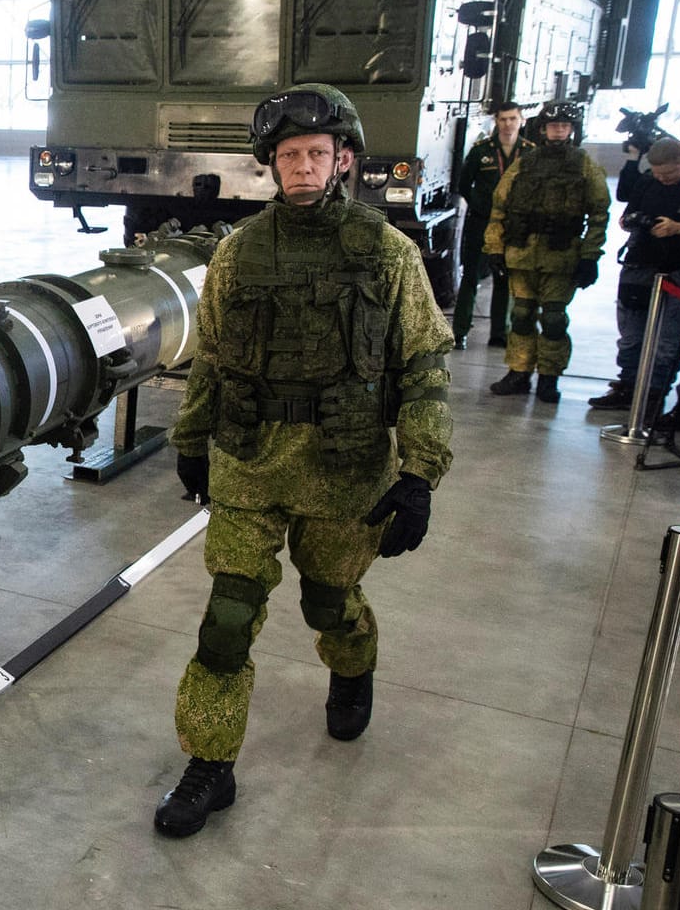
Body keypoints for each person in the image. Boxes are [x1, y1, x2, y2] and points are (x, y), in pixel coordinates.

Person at [157, 84, 454, 838]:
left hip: (345, 467)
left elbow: (422, 365)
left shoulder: (386, 252)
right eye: (288, 156)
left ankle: (353, 667)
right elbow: (214, 359)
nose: (301, 167)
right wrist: (191, 440)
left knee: (329, 602)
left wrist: (418, 473)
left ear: (343, 159)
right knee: (227, 618)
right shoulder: (239, 250)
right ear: (271, 164)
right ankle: (210, 766)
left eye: (316, 154)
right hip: (251, 461)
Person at [481, 100, 610, 404]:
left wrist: (591, 256)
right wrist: (495, 248)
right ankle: (519, 371)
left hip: (560, 255)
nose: (559, 131)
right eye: (554, 126)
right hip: (522, 252)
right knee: (522, 315)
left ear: (573, 130)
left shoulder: (583, 165)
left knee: (553, 319)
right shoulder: (525, 163)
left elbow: (599, 213)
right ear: (542, 129)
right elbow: (499, 207)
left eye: (564, 126)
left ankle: (549, 377)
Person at [587, 139, 680, 421]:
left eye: (669, 174)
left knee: (667, 342)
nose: (663, 179)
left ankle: (655, 395)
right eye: (658, 174)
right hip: (639, 264)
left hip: (678, 270)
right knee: (631, 337)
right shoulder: (647, 183)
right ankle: (628, 386)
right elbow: (627, 212)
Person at [452, 102, 533, 350]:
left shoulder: (530, 153)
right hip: (482, 222)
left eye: (512, 119)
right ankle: (460, 331)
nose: (508, 124)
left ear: (522, 121)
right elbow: (464, 184)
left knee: (504, 278)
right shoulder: (481, 151)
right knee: (471, 275)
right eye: (503, 119)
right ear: (496, 122)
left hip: (514, 225)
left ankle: (499, 333)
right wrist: (480, 207)